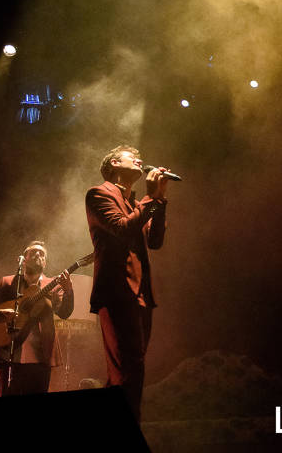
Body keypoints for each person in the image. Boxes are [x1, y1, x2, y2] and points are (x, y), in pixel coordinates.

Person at [85, 145, 168, 421]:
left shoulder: (135, 203)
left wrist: (160, 200)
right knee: (128, 370)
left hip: (141, 294)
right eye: (132, 157)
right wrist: (149, 198)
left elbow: (155, 242)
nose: (140, 159)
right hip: (118, 292)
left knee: (133, 370)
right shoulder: (98, 194)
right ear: (113, 164)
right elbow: (121, 228)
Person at [0, 240, 74, 396]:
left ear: (45, 262)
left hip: (40, 362)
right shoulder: (8, 282)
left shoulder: (53, 285)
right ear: (23, 259)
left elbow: (65, 313)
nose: (37, 254)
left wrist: (68, 290)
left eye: (41, 253)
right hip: (7, 358)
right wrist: (2, 314)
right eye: (32, 252)